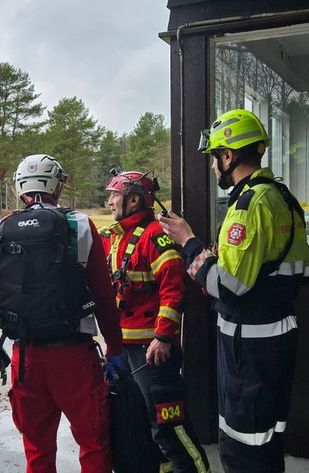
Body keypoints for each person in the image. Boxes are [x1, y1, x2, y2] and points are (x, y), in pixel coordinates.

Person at [157, 109, 309, 473]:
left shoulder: (246, 205)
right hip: (277, 336)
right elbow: (296, 269)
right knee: (266, 438)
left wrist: (189, 242)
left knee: (242, 446)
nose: (214, 166)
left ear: (228, 156)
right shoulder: (282, 197)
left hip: (249, 345)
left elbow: (226, 287)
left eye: (215, 157)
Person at [0, 154, 123, 473]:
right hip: (75, 354)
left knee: (37, 448)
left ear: (19, 188)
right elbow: (103, 294)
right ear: (58, 187)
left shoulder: (1, 228)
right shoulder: (80, 225)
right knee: (93, 444)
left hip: (26, 356)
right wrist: (116, 348)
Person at [103, 171, 210, 473]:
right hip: (124, 350)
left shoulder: (155, 236)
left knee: (168, 427)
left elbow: (173, 291)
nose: (109, 202)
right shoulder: (116, 237)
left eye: (114, 195)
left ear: (134, 200)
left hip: (152, 353)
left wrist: (163, 337)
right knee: (141, 426)